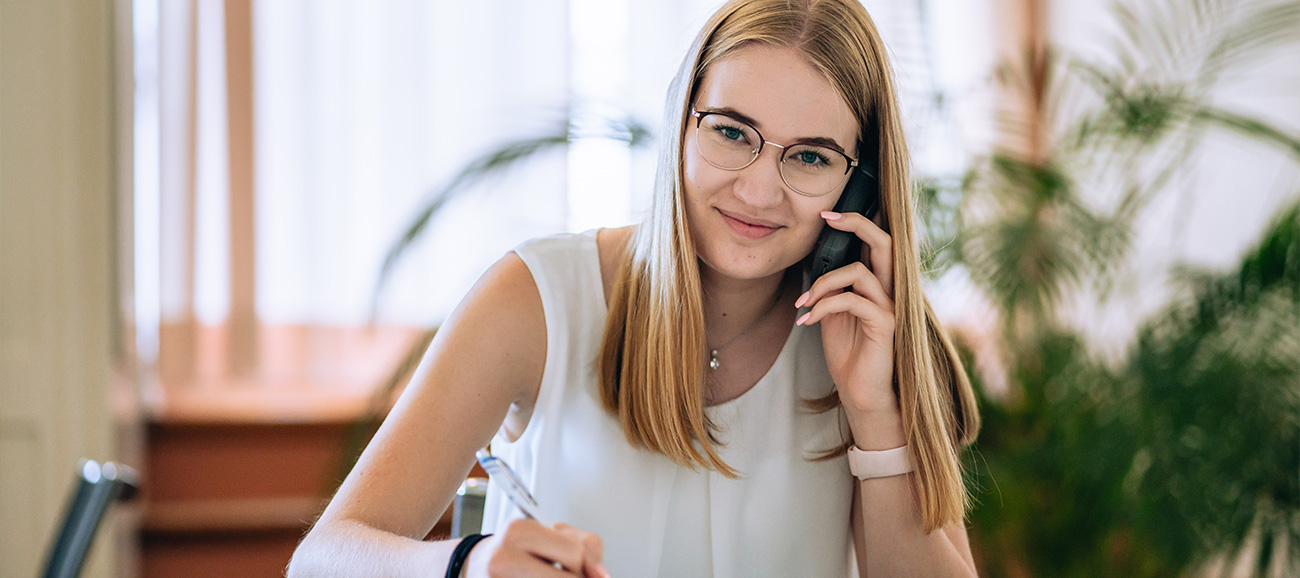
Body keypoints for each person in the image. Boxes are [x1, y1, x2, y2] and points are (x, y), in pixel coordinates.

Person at [288, 0, 980, 576]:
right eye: (733, 133)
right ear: (681, 127)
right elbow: (321, 559)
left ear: (859, 184)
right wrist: (466, 565)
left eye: (809, 156)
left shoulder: (875, 339)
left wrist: (873, 413)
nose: (759, 189)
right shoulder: (538, 299)